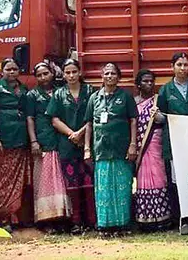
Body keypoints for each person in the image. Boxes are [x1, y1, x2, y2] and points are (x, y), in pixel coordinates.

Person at [83, 63, 138, 237]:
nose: (110, 76)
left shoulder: (125, 97)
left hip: (121, 149)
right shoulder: (94, 98)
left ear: (118, 77)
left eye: (113, 73)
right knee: (103, 188)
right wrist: (86, 148)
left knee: (122, 187)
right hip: (101, 150)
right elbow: (89, 124)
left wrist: (132, 144)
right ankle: (105, 225)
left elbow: (133, 121)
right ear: (102, 76)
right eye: (106, 73)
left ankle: (122, 224)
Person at [47, 58, 97, 234]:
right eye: (67, 72)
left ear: (80, 72)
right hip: (67, 145)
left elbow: (93, 116)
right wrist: (71, 134)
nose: (71, 75)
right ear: (63, 74)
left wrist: (81, 134)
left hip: (87, 143)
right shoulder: (59, 94)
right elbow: (54, 119)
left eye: (74, 71)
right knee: (72, 185)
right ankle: (75, 222)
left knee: (90, 183)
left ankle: (92, 220)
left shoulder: (90, 92)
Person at [156, 52, 188, 235]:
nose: (183, 68)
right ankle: (181, 219)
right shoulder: (165, 90)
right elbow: (160, 117)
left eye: (186, 65)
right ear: (172, 67)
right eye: (179, 65)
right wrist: (158, 116)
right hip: (174, 142)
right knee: (176, 182)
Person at [0, 58, 33, 230]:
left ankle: (17, 217)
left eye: (15, 69)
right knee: (3, 180)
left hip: (21, 140)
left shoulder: (23, 89)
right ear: (2, 71)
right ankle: (2, 218)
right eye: (8, 69)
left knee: (21, 181)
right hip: (3, 141)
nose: (12, 72)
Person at [25, 62, 71, 231]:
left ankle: (62, 219)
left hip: (61, 141)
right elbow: (30, 119)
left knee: (61, 181)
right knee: (44, 183)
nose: (43, 78)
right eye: (39, 75)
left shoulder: (61, 92)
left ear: (53, 73)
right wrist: (34, 141)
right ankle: (46, 221)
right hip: (43, 141)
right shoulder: (32, 95)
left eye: (46, 73)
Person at [133, 69, 173, 230]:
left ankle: (162, 219)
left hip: (156, 145)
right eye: (145, 81)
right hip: (140, 147)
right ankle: (145, 219)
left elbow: (169, 119)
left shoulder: (159, 100)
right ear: (138, 84)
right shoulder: (133, 102)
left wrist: (161, 118)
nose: (149, 84)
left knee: (159, 178)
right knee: (142, 180)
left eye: (151, 81)